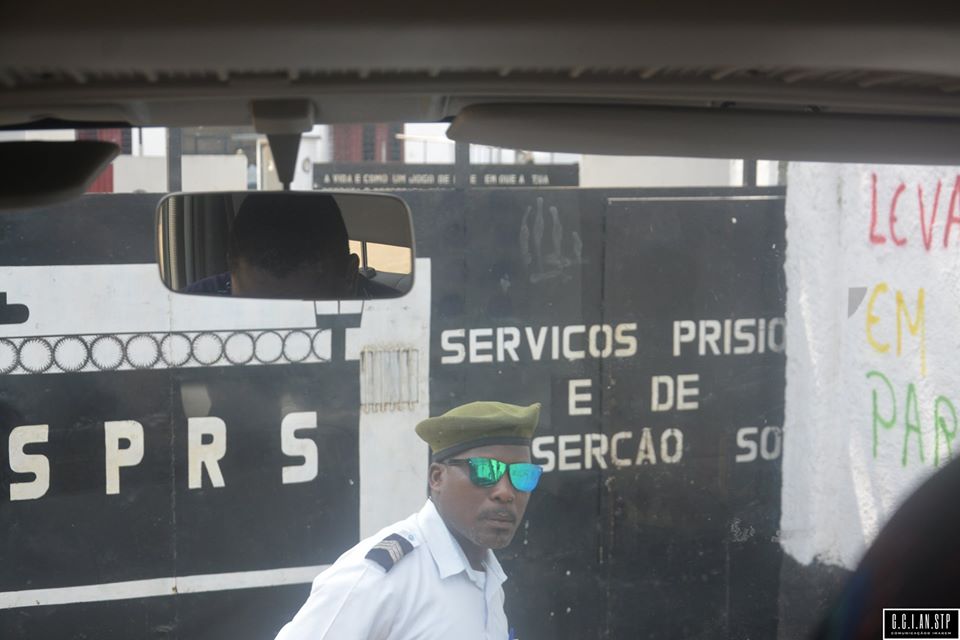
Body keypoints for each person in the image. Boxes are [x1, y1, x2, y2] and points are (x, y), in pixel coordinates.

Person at [274, 401, 544, 640]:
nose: (506, 493)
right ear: (437, 478)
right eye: (486, 471)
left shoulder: (488, 576)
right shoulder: (380, 577)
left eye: (522, 475)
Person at [185, 192, 397, 299]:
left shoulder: (399, 320)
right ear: (231, 272)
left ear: (349, 276)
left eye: (302, 311)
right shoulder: (190, 308)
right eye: (256, 310)